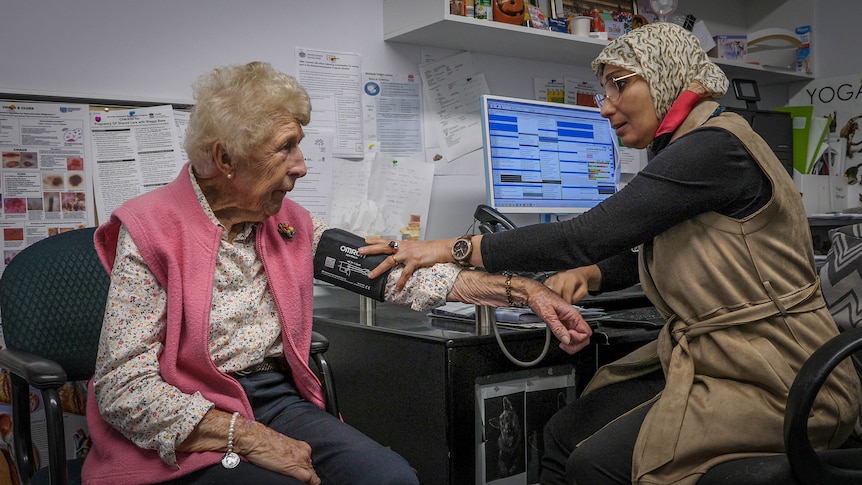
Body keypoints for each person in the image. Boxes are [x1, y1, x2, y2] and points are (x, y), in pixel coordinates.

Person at [361, 23, 862, 485]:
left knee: (593, 463)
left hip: (778, 375)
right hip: (723, 358)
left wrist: (453, 247)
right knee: (563, 432)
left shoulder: (714, 148)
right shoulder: (694, 146)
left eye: (620, 85)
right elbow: (655, 251)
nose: (605, 106)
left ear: (666, 77)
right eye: (605, 90)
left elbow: (585, 234)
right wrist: (592, 275)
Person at [80, 62, 591, 485]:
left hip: (275, 401)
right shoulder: (151, 230)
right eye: (285, 147)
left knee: (392, 479)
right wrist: (252, 438)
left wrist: (521, 291)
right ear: (225, 158)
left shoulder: (288, 224)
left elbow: (396, 273)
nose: (301, 166)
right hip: (187, 418)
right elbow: (123, 387)